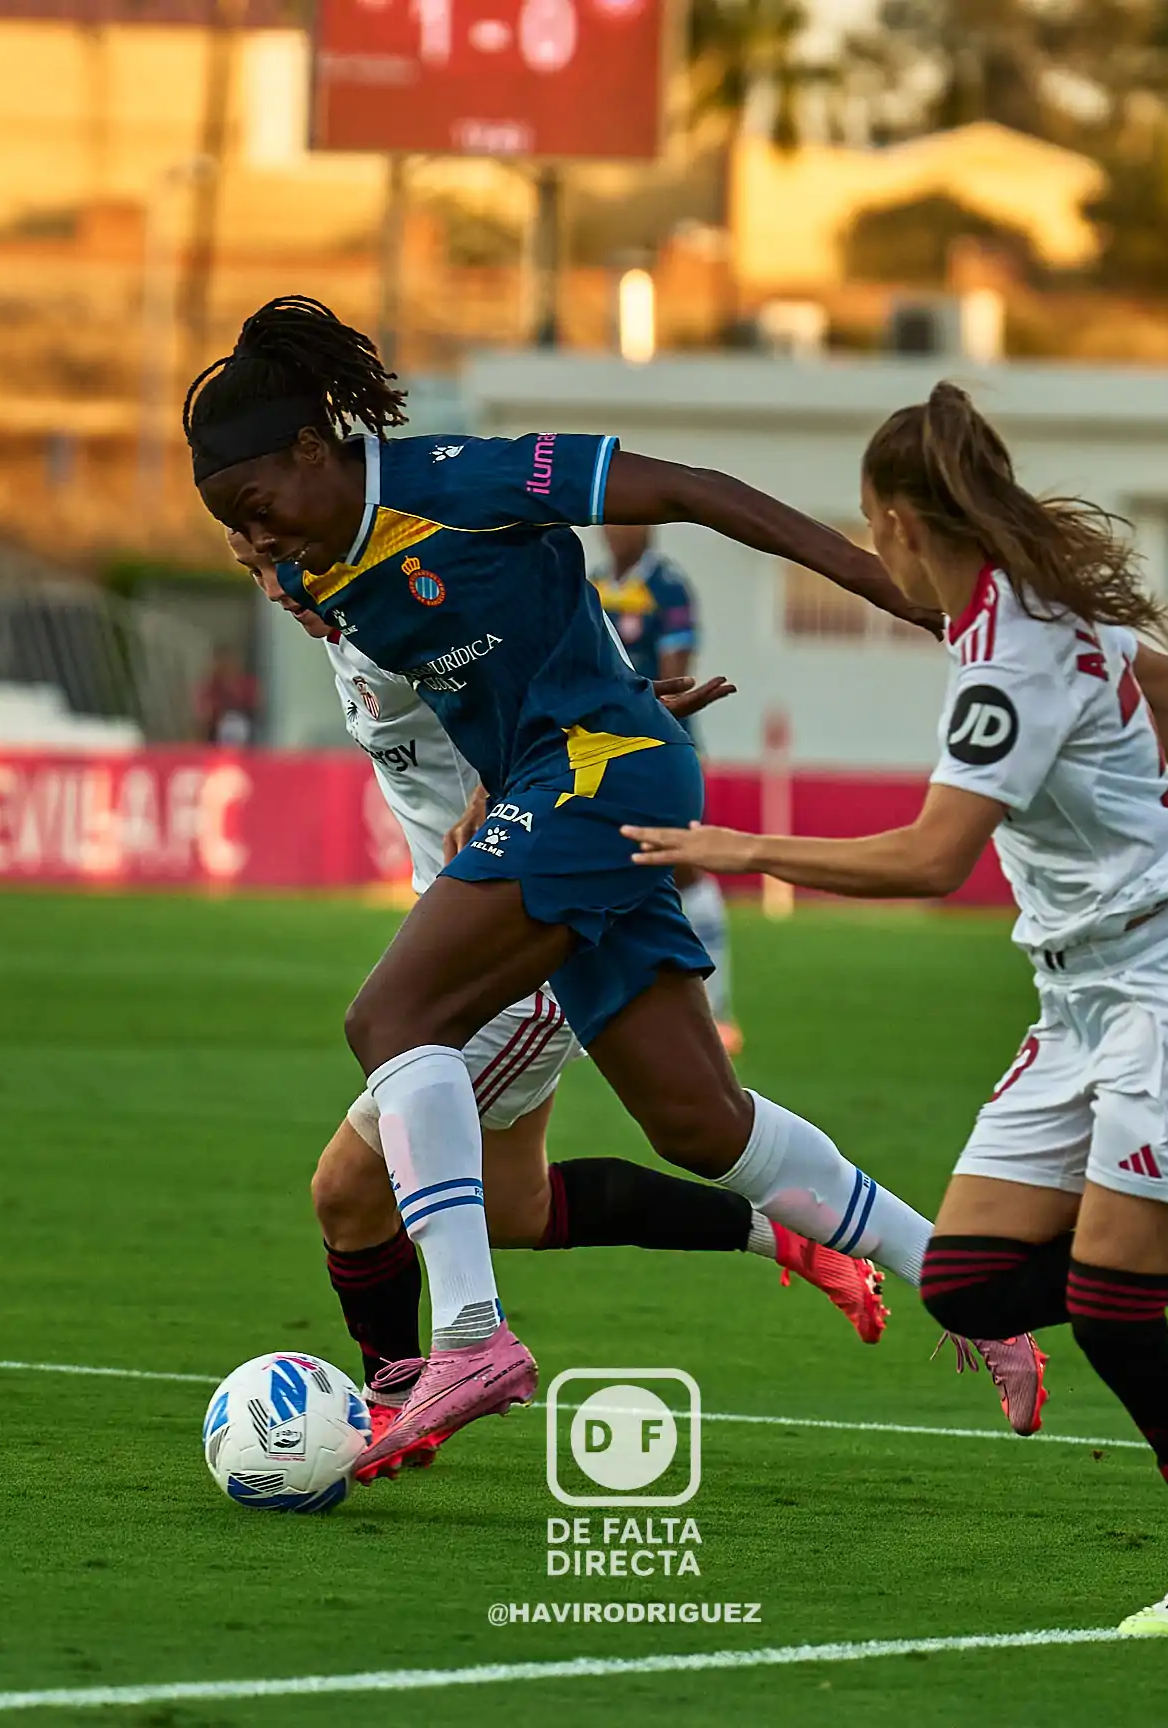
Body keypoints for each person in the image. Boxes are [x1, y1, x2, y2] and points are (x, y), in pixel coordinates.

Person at [185, 298, 1043, 1475]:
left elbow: (689, 488)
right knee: (700, 1125)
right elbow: (524, 644)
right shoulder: (323, 570)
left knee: (392, 1021)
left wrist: (881, 586)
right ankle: (965, 1292)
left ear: (308, 448)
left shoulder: (460, 477)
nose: (258, 540)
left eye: (257, 507)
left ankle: (473, 1339)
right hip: (596, 773)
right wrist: (625, 697)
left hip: (590, 775)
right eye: (235, 531)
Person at [625, 382, 1168, 1637]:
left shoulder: (1008, 658)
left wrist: (747, 846)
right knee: (974, 1287)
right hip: (1081, 998)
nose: (874, 556)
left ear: (902, 522)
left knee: (1108, 1308)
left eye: (872, 533)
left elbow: (934, 860)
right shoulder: (1027, 605)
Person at [226, 531, 898, 1483]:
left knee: (350, 1189)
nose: (271, 586)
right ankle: (784, 1230)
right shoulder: (349, 626)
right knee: (512, 1202)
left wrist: (590, 733)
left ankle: (398, 1394)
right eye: (248, 569)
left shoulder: (399, 609)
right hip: (468, 935)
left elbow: (532, 666)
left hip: (508, 948)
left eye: (274, 556)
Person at [596, 527, 741, 1054]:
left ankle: (719, 1011)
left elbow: (678, 677)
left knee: (683, 868)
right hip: (598, 751)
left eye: (627, 520)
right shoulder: (591, 585)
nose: (616, 531)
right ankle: (615, 1010)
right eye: (609, 520)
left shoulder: (668, 586)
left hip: (661, 744)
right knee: (607, 867)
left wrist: (644, 721)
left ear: (647, 527)